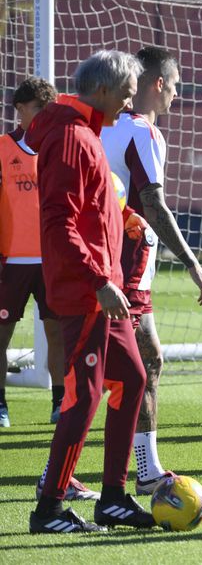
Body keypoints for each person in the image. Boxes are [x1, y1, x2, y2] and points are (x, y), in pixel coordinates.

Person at [27, 50, 154, 533]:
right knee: (83, 399)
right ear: (102, 90)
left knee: (134, 379)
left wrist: (124, 220)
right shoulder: (71, 137)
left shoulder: (85, 134)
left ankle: (114, 499)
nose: (129, 101)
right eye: (125, 91)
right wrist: (100, 281)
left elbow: (87, 210)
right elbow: (58, 221)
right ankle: (50, 509)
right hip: (88, 293)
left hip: (104, 291)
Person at [100, 46, 202, 494]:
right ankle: (116, 475)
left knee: (134, 363)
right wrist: (192, 263)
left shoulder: (101, 126)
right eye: (177, 86)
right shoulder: (143, 132)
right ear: (159, 84)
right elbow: (154, 202)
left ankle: (142, 469)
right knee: (134, 366)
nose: (177, 96)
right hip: (125, 263)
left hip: (109, 259)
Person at [1, 79, 68, 429]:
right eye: (38, 110)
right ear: (21, 110)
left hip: (53, 260)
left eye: (48, 110)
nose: (44, 117)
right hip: (11, 262)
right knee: (2, 334)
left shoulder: (60, 149)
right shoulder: (2, 148)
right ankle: (0, 405)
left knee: (57, 332)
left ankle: (60, 403)